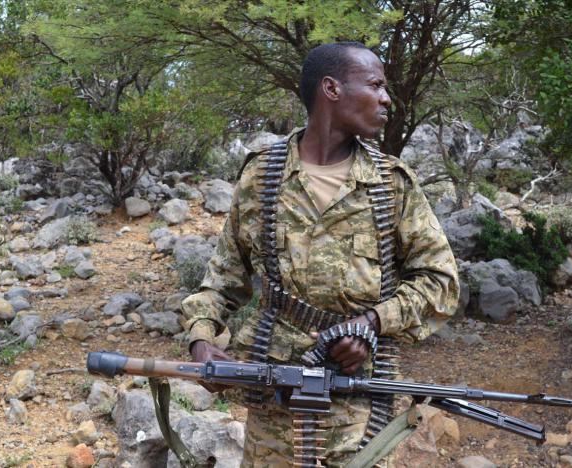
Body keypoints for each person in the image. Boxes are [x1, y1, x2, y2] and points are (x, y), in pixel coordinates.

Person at [182, 41, 459, 467]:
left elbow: (440, 282)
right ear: (331, 89)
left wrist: (371, 323)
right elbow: (223, 278)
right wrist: (202, 341)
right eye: (375, 85)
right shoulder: (263, 176)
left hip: (360, 401)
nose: (387, 98)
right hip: (273, 402)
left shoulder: (391, 184)